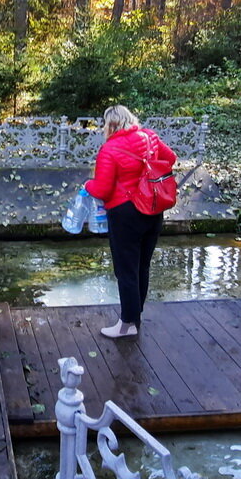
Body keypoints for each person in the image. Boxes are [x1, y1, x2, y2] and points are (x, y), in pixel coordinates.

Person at [84, 105, 176, 338]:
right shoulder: (149, 137)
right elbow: (171, 158)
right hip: (153, 208)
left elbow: (103, 189)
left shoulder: (110, 149)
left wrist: (87, 185)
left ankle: (126, 325)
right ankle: (136, 317)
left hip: (125, 214)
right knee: (142, 266)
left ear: (110, 124)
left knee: (126, 271)